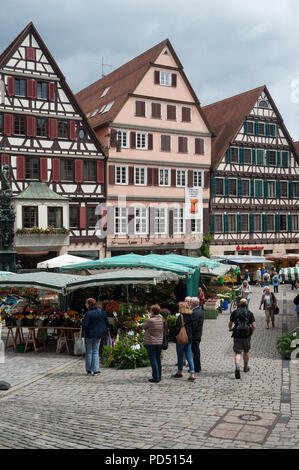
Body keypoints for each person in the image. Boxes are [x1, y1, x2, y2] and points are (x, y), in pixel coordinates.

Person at [228, 298, 256, 379]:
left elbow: (230, 323)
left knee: (238, 353)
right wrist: (252, 332)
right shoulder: (249, 313)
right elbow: (254, 326)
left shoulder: (234, 312)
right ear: (246, 305)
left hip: (237, 334)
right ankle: (246, 367)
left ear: (239, 304)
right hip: (247, 335)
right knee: (246, 351)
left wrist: (230, 329)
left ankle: (237, 368)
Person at [82, 298, 110, 375]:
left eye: (86, 303)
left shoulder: (88, 313)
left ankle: (88, 369)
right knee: (95, 351)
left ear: (89, 304)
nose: (85, 305)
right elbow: (106, 324)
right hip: (98, 335)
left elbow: (85, 325)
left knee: (89, 352)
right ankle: (96, 369)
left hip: (89, 335)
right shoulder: (102, 312)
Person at [142, 304, 164, 383]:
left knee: (153, 360)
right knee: (158, 359)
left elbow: (143, 326)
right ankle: (159, 376)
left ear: (153, 311)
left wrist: (148, 319)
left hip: (151, 342)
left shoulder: (150, 320)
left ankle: (155, 377)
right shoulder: (161, 319)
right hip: (159, 342)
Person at [173, 307, 196, 381]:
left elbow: (177, 328)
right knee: (189, 355)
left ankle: (180, 371)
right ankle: (192, 373)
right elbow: (194, 327)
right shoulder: (191, 315)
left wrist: (175, 335)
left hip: (181, 338)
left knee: (180, 355)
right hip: (189, 338)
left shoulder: (181, 317)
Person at [190, 297, 204, 373]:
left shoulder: (195, 312)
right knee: (196, 350)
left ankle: (197, 367)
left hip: (195, 335)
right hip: (197, 334)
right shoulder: (200, 310)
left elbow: (194, 325)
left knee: (195, 351)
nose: (190, 304)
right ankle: (196, 366)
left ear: (194, 304)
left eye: (191, 303)